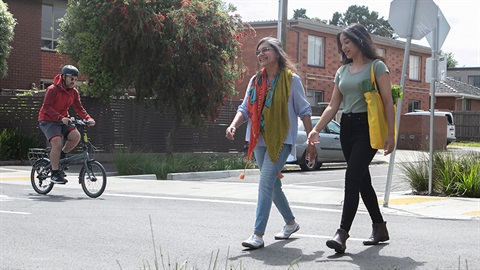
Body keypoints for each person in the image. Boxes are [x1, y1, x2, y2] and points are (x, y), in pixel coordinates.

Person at [307, 24, 395, 253]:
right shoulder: (342, 71)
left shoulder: (377, 67)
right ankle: (379, 227)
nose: (344, 46)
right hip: (346, 127)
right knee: (362, 180)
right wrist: (316, 128)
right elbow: (333, 105)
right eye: (341, 43)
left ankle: (342, 233)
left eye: (347, 41)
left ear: (359, 40)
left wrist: (391, 135)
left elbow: (387, 102)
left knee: (352, 177)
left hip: (368, 127)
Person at [225, 37, 317, 250]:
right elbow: (245, 108)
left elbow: (304, 110)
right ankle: (291, 223)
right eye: (258, 51)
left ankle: (257, 234)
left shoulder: (292, 80)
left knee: (265, 184)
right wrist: (233, 125)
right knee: (273, 186)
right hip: (259, 139)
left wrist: (312, 136)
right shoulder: (255, 80)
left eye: (266, 50)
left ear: (277, 52)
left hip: (281, 140)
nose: (261, 54)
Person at [38, 65, 95, 184]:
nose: (73, 81)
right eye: (71, 78)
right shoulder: (52, 89)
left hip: (64, 119)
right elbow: (47, 107)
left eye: (75, 79)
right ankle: (54, 173)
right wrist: (60, 117)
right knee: (57, 143)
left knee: (76, 136)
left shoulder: (74, 92)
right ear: (64, 77)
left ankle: (62, 156)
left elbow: (79, 108)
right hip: (48, 120)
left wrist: (88, 118)